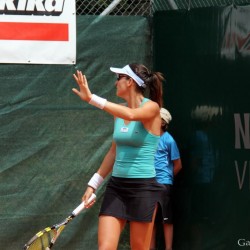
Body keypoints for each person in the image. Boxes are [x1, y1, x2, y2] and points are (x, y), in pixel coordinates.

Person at [72, 63, 166, 250]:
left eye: (118, 79)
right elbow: (113, 152)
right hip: (116, 188)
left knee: (139, 248)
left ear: (129, 81)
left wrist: (92, 99)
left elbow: (132, 115)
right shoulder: (118, 112)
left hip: (143, 190)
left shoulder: (152, 108)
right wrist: (93, 184)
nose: (115, 83)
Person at [150, 108, 182, 250]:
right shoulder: (147, 138)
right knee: (150, 219)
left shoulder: (169, 140)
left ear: (163, 122)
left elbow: (178, 165)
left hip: (163, 185)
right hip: (148, 184)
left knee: (166, 220)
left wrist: (166, 179)